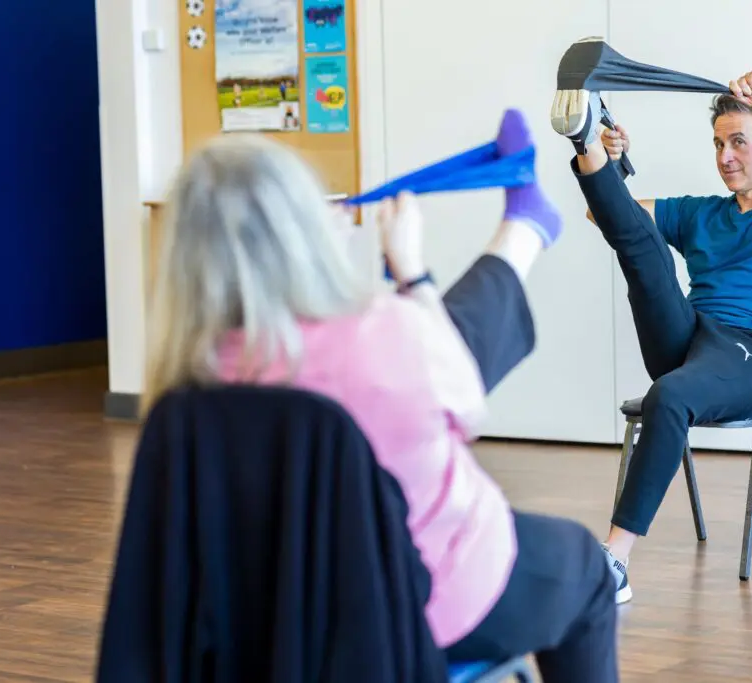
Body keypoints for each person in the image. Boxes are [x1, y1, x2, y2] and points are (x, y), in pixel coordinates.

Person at [142, 107, 620, 683]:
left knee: (446, 339)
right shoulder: (384, 330)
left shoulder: (183, 390)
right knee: (589, 569)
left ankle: (524, 230)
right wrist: (411, 274)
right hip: (418, 609)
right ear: (302, 235)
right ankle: (524, 230)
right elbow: (468, 404)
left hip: (263, 623)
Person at [550, 62, 752, 604]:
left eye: (739, 142)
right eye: (719, 144)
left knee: (669, 395)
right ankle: (585, 139)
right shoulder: (702, 214)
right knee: (641, 249)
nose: (725, 157)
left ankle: (615, 559)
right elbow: (604, 215)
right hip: (689, 343)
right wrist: (613, 161)